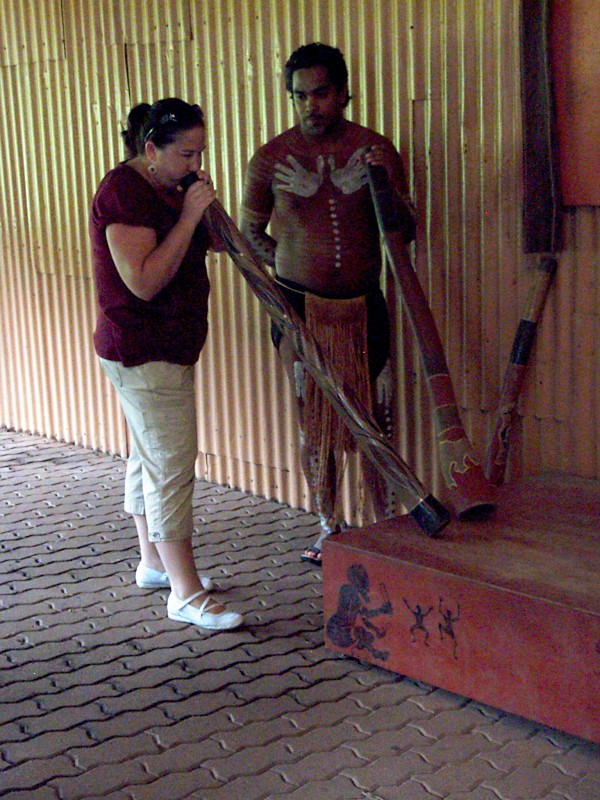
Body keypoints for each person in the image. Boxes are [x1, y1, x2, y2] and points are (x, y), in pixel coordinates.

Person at [241, 43, 416, 566]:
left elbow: (405, 231)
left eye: (320, 94)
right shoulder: (272, 158)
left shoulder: (374, 150)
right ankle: (329, 526)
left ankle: (384, 524)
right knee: (314, 419)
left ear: (342, 93)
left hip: (364, 303)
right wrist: (288, 273)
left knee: (375, 415)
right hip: (299, 307)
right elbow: (250, 234)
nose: (309, 105)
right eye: (300, 96)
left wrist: (380, 186)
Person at [90, 98, 243, 631]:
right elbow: (145, 281)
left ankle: (154, 565)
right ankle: (185, 593)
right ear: (151, 148)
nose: (195, 164)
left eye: (200, 153)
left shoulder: (170, 185)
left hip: (169, 345)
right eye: (185, 154)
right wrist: (191, 213)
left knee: (148, 456)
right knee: (170, 465)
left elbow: (214, 243)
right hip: (143, 348)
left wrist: (201, 206)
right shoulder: (124, 192)